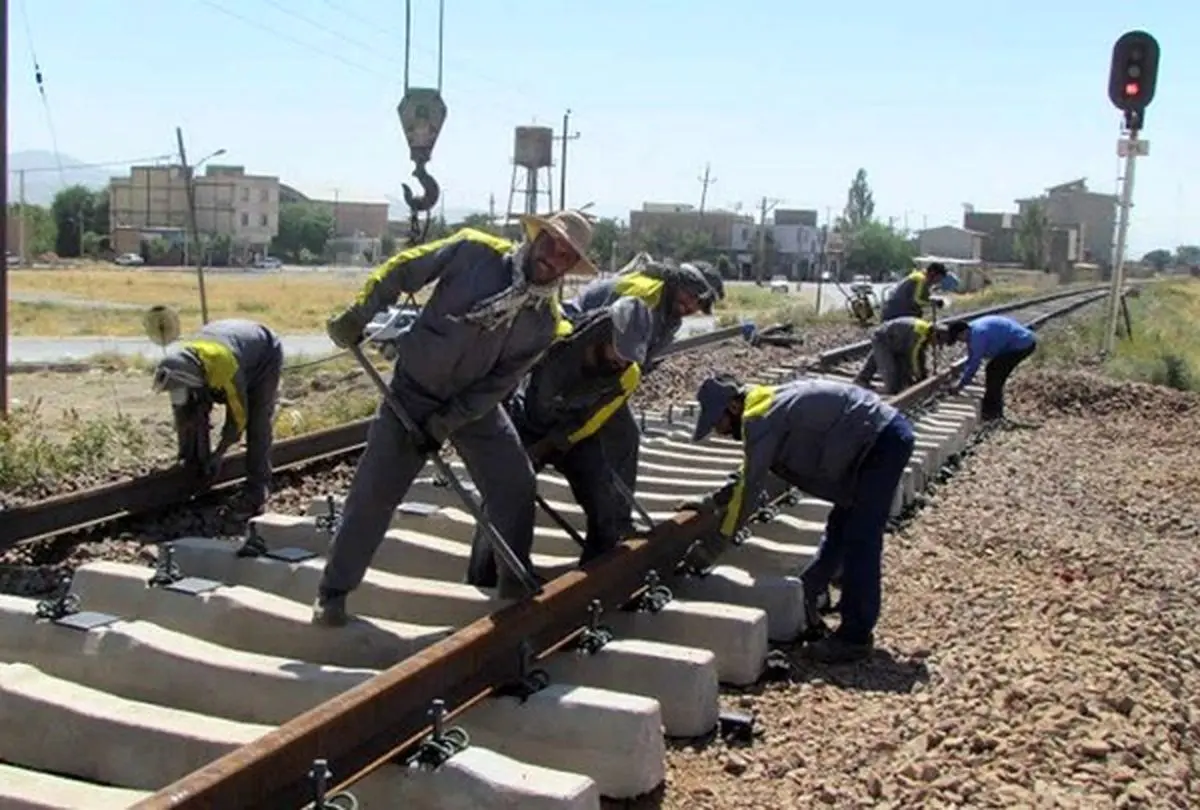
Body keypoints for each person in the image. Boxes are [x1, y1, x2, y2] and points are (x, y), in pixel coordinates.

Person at [312, 210, 596, 626]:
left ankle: (512, 582)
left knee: (514, 483)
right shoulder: (473, 252)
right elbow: (404, 269)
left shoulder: (544, 322)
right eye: (552, 243)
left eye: (567, 256)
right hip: (412, 391)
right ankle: (333, 591)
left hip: (472, 407)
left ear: (571, 267)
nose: (555, 257)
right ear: (536, 237)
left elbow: (499, 384)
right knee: (375, 492)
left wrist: (445, 423)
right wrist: (362, 311)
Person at [681, 374, 915, 663]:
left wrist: (716, 546)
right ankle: (813, 588)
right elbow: (750, 474)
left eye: (718, 422)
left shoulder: (759, 419)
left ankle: (854, 637)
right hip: (877, 438)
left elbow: (751, 488)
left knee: (861, 539)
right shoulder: (763, 404)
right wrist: (714, 501)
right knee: (841, 525)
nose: (718, 431)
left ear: (732, 407)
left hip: (880, 443)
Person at [466, 296, 655, 585]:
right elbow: (508, 374)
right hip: (526, 422)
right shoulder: (557, 338)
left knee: (605, 499)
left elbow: (592, 420)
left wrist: (552, 445)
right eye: (620, 351)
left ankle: (595, 573)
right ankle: (486, 577)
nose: (623, 361)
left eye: (630, 356)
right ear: (605, 331)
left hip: (573, 435)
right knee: (505, 494)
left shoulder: (627, 376)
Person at [562, 258, 716, 529]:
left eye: (698, 304)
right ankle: (615, 519)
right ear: (677, 283)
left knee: (625, 438)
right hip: (570, 361)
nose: (690, 306)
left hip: (603, 375)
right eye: (690, 296)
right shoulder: (644, 297)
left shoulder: (671, 318)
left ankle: (618, 521)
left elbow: (635, 365)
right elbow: (593, 342)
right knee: (611, 438)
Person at [151, 319, 284, 517]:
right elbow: (184, 410)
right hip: (227, 348)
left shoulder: (225, 369)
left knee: (257, 423)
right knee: (195, 406)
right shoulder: (180, 364)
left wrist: (219, 453)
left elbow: (238, 418)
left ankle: (257, 490)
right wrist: (186, 446)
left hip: (263, 354)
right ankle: (193, 462)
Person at [945, 315, 1038, 422]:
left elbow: (974, 364)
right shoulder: (973, 330)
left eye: (959, 338)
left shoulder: (978, 335)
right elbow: (971, 358)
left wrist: (960, 386)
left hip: (1022, 344)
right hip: (1018, 341)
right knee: (993, 369)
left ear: (963, 332)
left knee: (995, 372)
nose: (960, 342)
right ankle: (991, 407)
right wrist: (962, 381)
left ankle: (993, 413)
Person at [853, 316, 935, 394]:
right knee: (891, 384)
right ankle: (862, 381)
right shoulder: (921, 333)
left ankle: (862, 379)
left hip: (895, 340)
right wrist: (919, 375)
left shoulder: (926, 329)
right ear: (934, 335)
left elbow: (919, 354)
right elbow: (914, 357)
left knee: (881, 358)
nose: (934, 344)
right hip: (882, 338)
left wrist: (921, 373)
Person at [880, 262, 951, 322]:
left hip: (899, 312)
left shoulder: (921, 277)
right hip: (896, 314)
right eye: (939, 278)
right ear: (933, 274)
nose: (939, 281)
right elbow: (917, 301)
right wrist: (933, 303)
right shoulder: (921, 279)